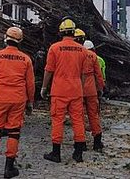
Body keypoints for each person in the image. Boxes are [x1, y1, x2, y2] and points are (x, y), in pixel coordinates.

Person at [0, 27, 35, 178]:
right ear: (20, 41)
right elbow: (30, 84)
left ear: (6, 38)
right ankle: (9, 168)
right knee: (14, 132)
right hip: (18, 100)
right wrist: (30, 102)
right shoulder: (26, 59)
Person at [41, 17, 87, 163]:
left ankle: (56, 153)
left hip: (59, 91)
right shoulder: (82, 50)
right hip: (76, 90)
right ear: (74, 33)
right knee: (78, 120)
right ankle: (78, 153)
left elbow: (49, 70)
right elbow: (84, 73)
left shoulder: (54, 48)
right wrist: (80, 87)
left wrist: (43, 87)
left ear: (61, 32)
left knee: (57, 121)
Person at [79, 38, 105, 152]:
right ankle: (97, 142)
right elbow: (99, 75)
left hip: (78, 89)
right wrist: (100, 89)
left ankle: (81, 143)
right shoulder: (94, 57)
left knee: (79, 116)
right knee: (93, 115)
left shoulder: (78, 54)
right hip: (91, 90)